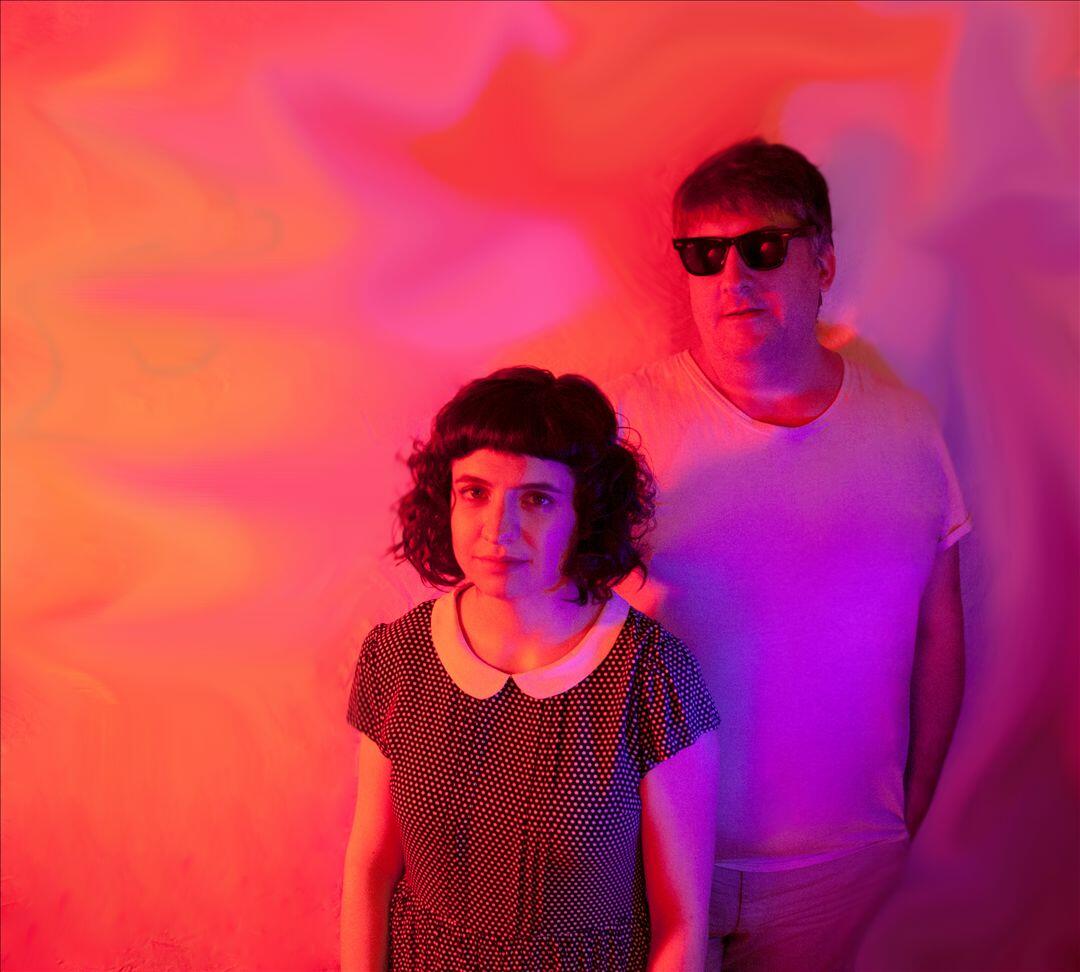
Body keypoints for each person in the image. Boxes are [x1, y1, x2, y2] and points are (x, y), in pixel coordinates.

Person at [609, 139, 970, 971]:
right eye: (705, 255)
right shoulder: (627, 423)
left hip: (843, 866)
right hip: (652, 854)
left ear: (823, 262)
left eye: (763, 247)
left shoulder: (905, 427)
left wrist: (913, 806)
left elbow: (941, 632)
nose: (732, 277)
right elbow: (568, 624)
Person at [340, 367, 721, 971]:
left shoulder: (653, 679)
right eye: (475, 492)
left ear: (586, 513)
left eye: (537, 499)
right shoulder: (397, 658)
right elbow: (371, 866)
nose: (499, 530)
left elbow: (681, 923)